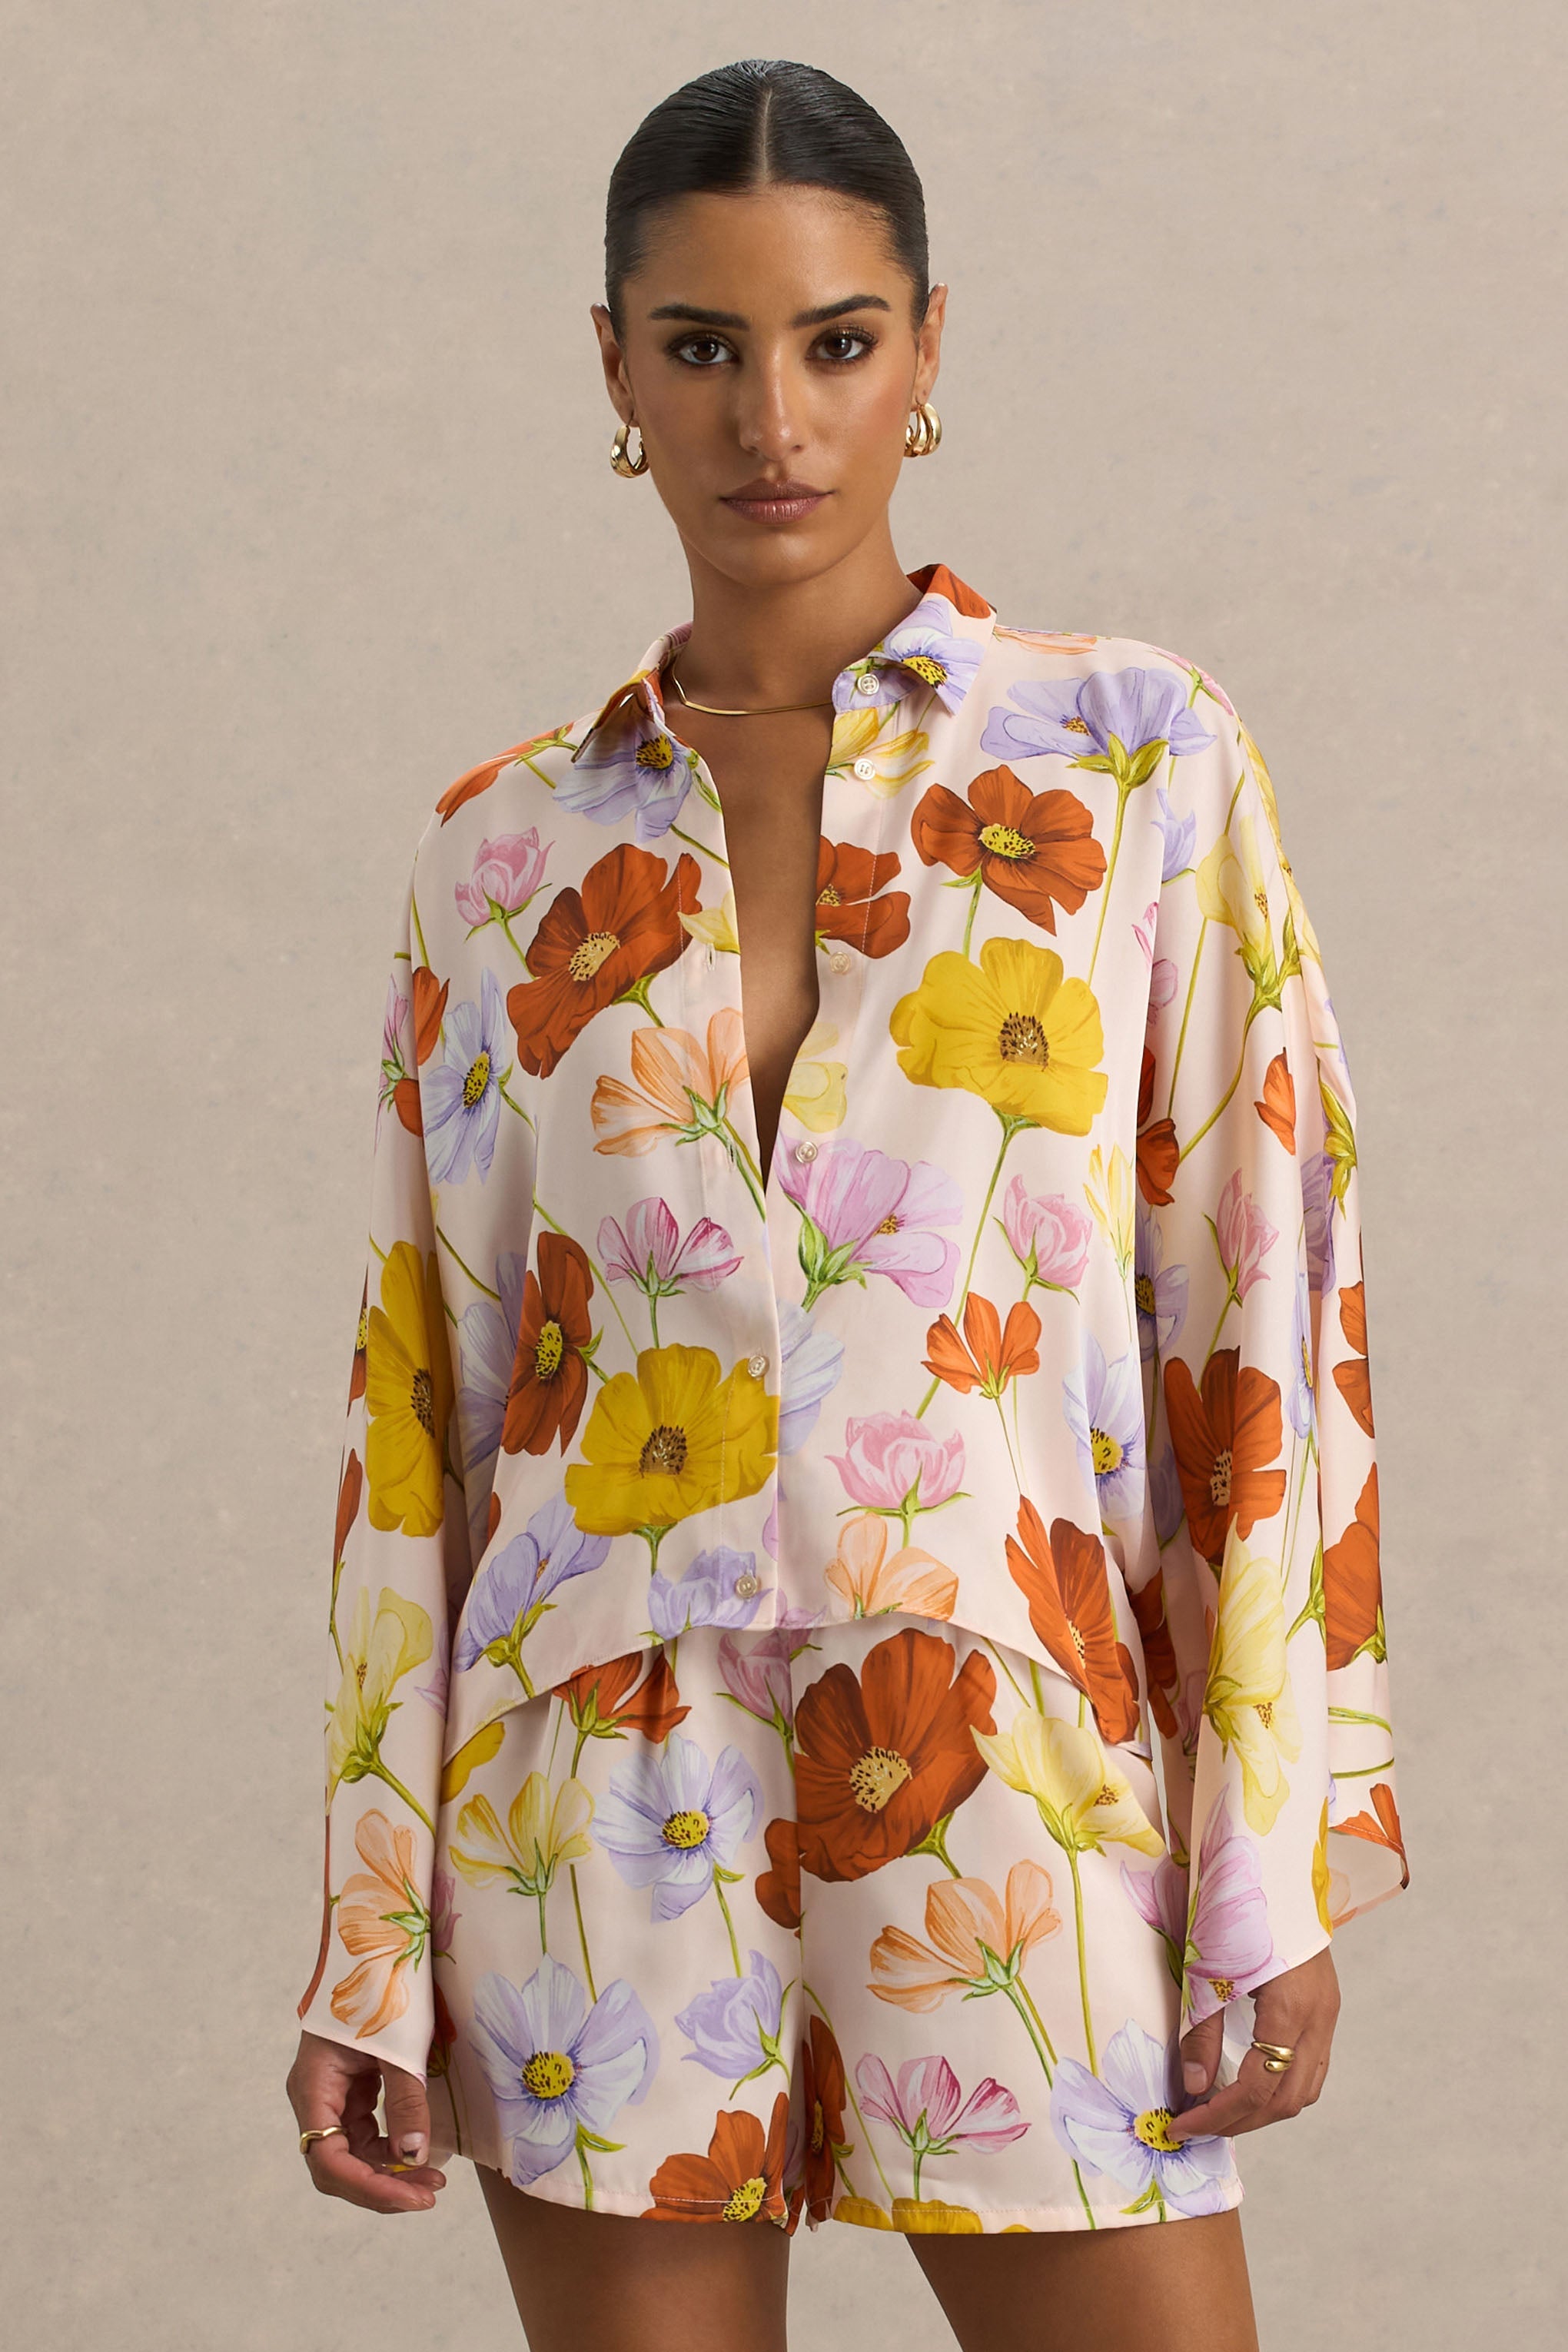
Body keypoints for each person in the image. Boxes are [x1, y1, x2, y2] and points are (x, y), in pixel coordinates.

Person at [284, 55, 1407, 2352]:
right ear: (615, 368)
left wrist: (1267, 1845)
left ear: (926, 348)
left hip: (1013, 1765)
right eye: (701, 345)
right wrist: (372, 1932)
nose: (771, 419)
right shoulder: (504, 852)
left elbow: (1266, 1317)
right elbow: (428, 1408)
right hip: (593, 1794)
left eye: (835, 340)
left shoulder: (1131, 762)